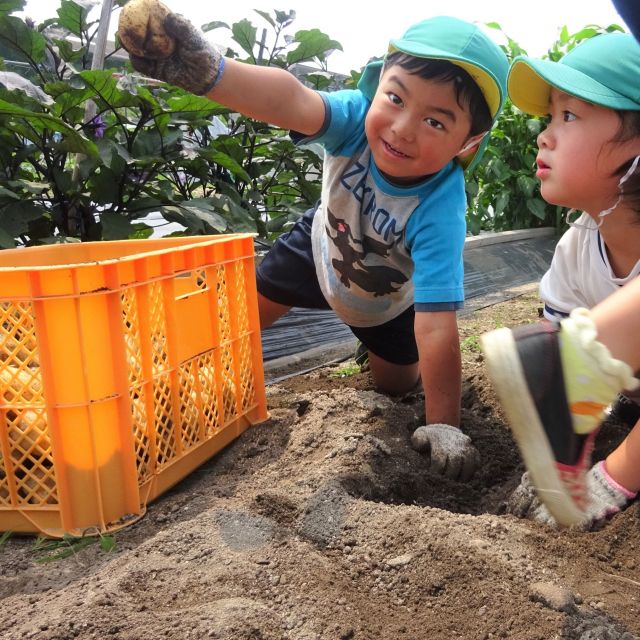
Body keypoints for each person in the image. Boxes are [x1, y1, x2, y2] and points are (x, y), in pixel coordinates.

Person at [123, 13, 509, 481]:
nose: (403, 128)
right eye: (395, 97)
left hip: (382, 300)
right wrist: (212, 74)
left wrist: (443, 424)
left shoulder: (441, 209)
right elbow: (293, 100)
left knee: (397, 384)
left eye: (434, 120)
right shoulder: (352, 121)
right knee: (231, 321)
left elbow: (435, 325)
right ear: (378, 85)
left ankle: (382, 360)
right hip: (319, 249)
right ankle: (157, 379)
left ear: (468, 143)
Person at [480, 29, 640, 527]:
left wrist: (613, 476)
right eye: (550, 116)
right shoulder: (576, 248)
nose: (544, 134)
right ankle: (576, 364)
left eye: (569, 115)